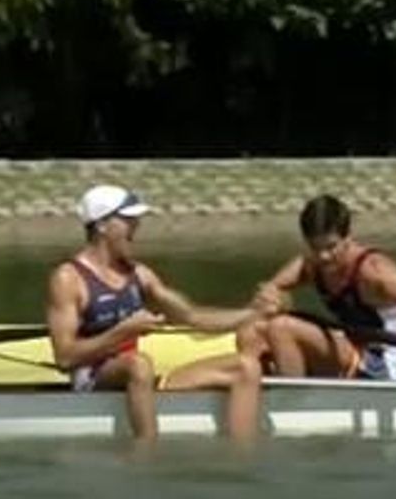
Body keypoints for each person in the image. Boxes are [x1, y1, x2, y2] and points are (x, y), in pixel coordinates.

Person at [45, 184, 277, 446]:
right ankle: (147, 453)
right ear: (102, 226)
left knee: (246, 366)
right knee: (138, 364)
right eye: (128, 220)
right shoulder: (68, 278)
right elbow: (65, 357)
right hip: (93, 378)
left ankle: (242, 458)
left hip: (140, 375)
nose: (137, 227)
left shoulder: (139, 274)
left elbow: (193, 316)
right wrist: (123, 332)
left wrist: (253, 313)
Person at [237, 194, 396, 380]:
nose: (324, 256)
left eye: (331, 247)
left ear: (347, 237)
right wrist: (271, 297)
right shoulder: (311, 264)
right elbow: (270, 289)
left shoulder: (372, 271)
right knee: (252, 331)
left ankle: (293, 405)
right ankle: (253, 386)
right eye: (315, 248)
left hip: (382, 363)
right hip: (349, 348)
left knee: (281, 327)